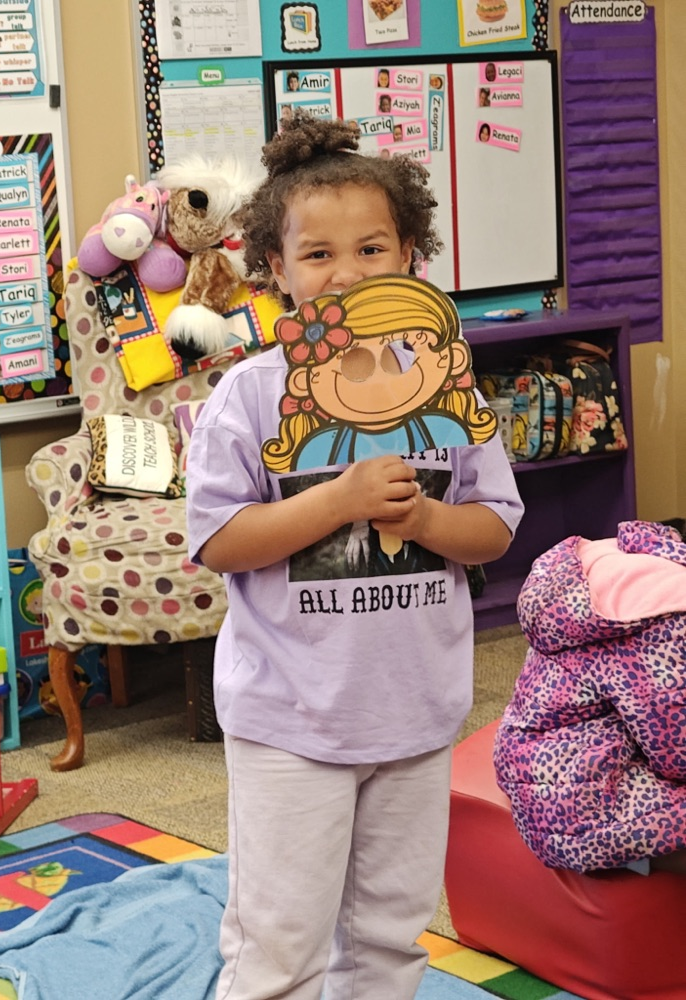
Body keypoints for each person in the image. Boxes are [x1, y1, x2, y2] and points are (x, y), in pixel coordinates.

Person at [186, 113, 524, 1000]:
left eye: (372, 248)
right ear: (277, 268)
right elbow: (219, 541)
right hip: (290, 719)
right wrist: (338, 501)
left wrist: (426, 519)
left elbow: (494, 527)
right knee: (280, 943)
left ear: (410, 254)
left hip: (416, 713)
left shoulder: (446, 383)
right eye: (318, 254)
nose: (346, 273)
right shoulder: (250, 396)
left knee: (390, 933)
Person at [495, 520, 686, 876]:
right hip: (581, 800)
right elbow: (676, 750)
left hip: (526, 759)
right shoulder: (669, 617)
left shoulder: (615, 569)